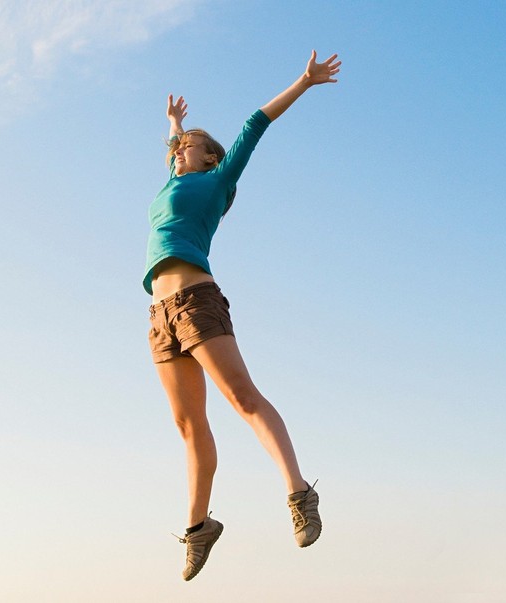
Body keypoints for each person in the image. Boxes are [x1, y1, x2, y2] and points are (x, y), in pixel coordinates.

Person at [144, 50, 341, 581]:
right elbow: (170, 152)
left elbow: (255, 125)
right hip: (159, 313)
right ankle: (199, 526)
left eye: (189, 148)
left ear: (210, 158)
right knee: (188, 425)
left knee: (241, 398)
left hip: (196, 300)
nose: (179, 151)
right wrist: (175, 124)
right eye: (177, 149)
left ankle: (299, 493)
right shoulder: (171, 182)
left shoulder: (217, 180)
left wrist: (303, 81)